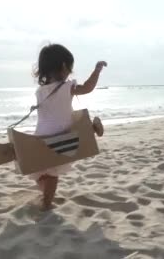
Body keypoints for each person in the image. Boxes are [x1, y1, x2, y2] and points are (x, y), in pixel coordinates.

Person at [31, 43, 107, 210]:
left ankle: (44, 197)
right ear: (64, 67)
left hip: (40, 136)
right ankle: (46, 204)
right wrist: (97, 71)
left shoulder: (40, 91)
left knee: (42, 171)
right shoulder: (66, 87)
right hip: (61, 136)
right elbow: (87, 88)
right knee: (53, 174)